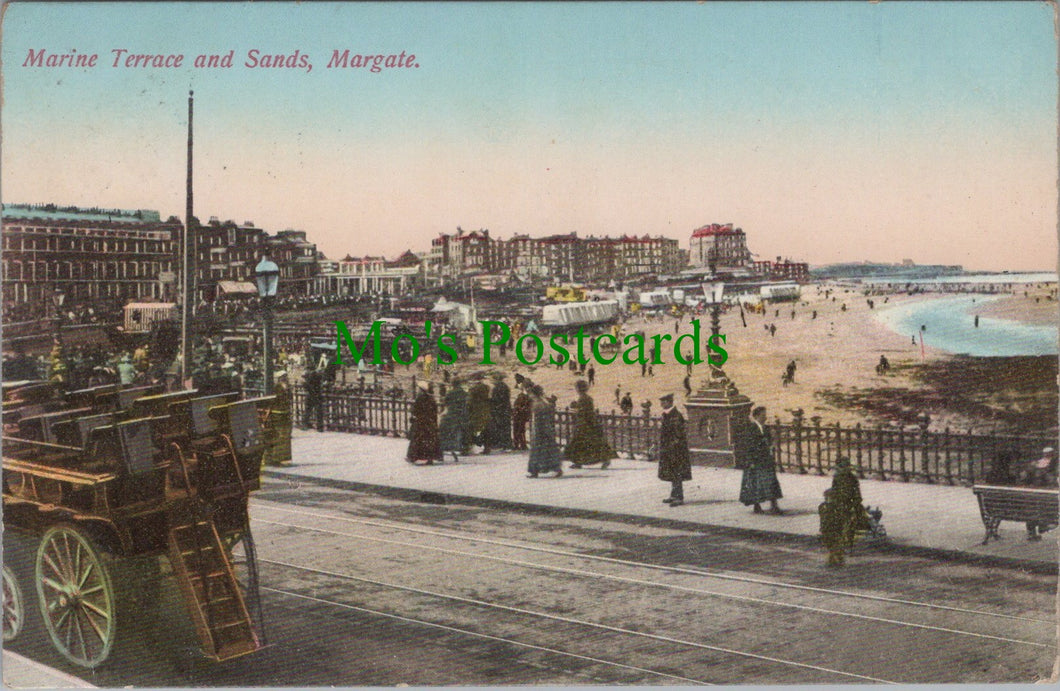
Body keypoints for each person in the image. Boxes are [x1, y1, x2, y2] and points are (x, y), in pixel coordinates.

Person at [818, 457, 870, 567]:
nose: (840, 470)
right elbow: (835, 490)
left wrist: (853, 505)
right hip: (838, 505)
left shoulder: (852, 479)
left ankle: (842, 549)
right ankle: (835, 548)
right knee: (827, 513)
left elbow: (857, 496)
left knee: (844, 522)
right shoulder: (837, 477)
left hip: (848, 505)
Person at [738, 406, 783, 514]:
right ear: (757, 416)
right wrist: (751, 461)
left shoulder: (766, 428)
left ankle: (774, 505)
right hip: (755, 460)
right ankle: (756, 506)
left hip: (766, 459)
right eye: (763, 415)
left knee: (771, 481)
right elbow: (748, 446)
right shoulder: (751, 429)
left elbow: (770, 441)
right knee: (755, 483)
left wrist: (772, 444)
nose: (765, 417)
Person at [565, 379, 614, 469]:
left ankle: (579, 461)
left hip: (584, 424)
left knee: (582, 443)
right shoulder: (586, 398)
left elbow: (584, 412)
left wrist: (576, 409)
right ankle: (603, 460)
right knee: (591, 443)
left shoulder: (583, 398)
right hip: (587, 423)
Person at [657, 393, 690, 506]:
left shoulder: (675, 415)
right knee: (672, 472)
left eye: (663, 402)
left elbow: (678, 435)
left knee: (677, 473)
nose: (661, 404)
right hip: (669, 449)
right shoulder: (668, 414)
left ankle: (679, 497)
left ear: (669, 402)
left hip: (676, 450)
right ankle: (673, 495)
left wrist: (671, 448)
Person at [1019, 447, 1058, 540]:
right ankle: (1043, 525)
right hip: (1043, 499)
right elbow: (1052, 480)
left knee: (1032, 508)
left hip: (1032, 501)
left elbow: (1023, 478)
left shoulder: (1034, 465)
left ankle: (1033, 532)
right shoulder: (1051, 466)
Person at [527, 385, 563, 478]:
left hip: (540, 429)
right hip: (546, 428)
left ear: (534, 394)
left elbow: (538, 419)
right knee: (549, 450)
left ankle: (535, 471)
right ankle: (556, 468)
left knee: (538, 451)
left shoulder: (537, 404)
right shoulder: (544, 402)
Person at [406, 380, 442, 465]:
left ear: (421, 389)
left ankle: (413, 457)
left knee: (417, 439)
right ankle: (430, 458)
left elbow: (415, 410)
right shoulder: (431, 398)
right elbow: (435, 411)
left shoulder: (419, 398)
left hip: (421, 422)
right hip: (430, 423)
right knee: (429, 440)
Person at [263, 372, 293, 466]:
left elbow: (289, 399)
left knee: (285, 436)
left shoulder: (288, 387)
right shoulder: (276, 388)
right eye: (284, 377)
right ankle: (275, 458)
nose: (286, 378)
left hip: (285, 413)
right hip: (277, 414)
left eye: (286, 377)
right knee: (278, 436)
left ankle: (283, 458)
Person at [438, 378, 468, 462]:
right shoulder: (464, 394)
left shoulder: (450, 393)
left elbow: (446, 403)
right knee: (460, 432)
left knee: (444, 432)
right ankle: (462, 448)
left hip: (451, 416)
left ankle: (442, 451)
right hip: (462, 416)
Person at [485, 373, 513, 451]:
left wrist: (488, 401)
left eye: (492, 379)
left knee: (499, 427)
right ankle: (507, 444)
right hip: (505, 410)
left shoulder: (496, 388)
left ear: (496, 379)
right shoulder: (505, 387)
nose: (491, 381)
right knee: (506, 427)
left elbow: (495, 400)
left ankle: (501, 444)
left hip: (499, 410)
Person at [467, 379, 492, 453]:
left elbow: (469, 402)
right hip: (485, 411)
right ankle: (487, 447)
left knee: (473, 429)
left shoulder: (473, 390)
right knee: (485, 430)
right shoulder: (486, 389)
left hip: (476, 413)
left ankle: (471, 446)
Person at [302, 366, 324, 431]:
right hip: (314, 395)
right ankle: (319, 427)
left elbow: (306, 385)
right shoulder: (316, 376)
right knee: (318, 411)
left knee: (308, 410)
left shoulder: (312, 377)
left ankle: (305, 424)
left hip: (311, 395)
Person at [511, 384, 533, 451]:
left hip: (522, 415)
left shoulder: (527, 397)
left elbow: (527, 406)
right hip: (518, 415)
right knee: (517, 430)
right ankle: (517, 445)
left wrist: (520, 408)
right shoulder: (521, 395)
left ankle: (522, 445)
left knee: (520, 430)